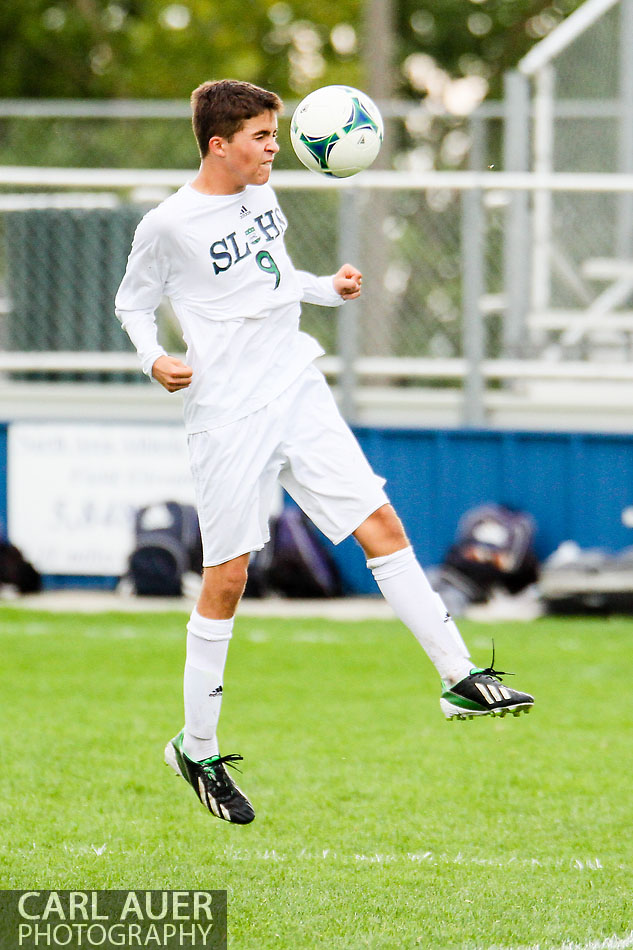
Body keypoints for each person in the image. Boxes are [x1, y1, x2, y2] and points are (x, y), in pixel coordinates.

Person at [115, 79, 534, 826]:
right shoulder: (169, 224)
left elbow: (273, 281)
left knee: (382, 527)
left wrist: (325, 288)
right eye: (261, 138)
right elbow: (132, 303)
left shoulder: (262, 198)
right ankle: (198, 747)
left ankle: (458, 675)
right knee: (228, 578)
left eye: (277, 136)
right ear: (219, 144)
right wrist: (153, 359)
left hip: (294, 384)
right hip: (227, 412)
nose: (276, 148)